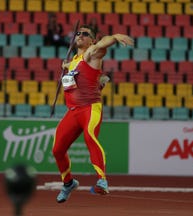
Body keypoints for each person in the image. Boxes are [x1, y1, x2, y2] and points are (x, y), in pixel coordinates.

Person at [52, 24, 134, 203]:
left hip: (90, 108)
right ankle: (68, 184)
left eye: (85, 34)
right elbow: (74, 70)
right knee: (57, 149)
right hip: (73, 111)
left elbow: (102, 45)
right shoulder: (74, 59)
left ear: (92, 40)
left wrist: (115, 36)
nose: (80, 35)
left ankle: (102, 181)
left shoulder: (92, 53)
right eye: (78, 33)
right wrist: (65, 66)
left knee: (90, 136)